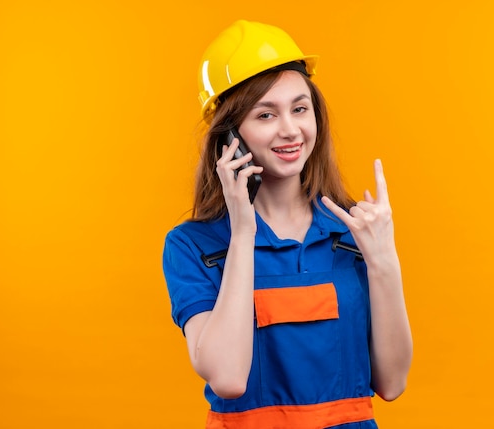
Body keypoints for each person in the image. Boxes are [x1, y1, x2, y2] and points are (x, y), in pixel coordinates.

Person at [162, 19, 413, 429]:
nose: (290, 129)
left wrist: (384, 259)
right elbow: (226, 378)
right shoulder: (194, 247)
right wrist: (243, 231)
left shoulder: (353, 232)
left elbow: (393, 382)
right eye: (265, 115)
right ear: (230, 136)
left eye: (300, 109)